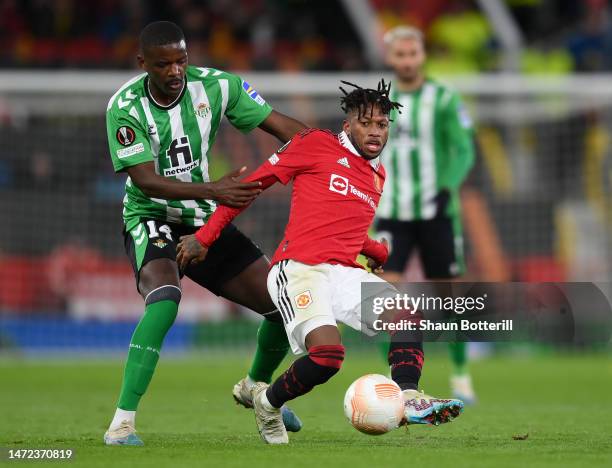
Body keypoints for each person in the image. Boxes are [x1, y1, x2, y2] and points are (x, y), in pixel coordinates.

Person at [176, 80, 464, 444]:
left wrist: (376, 251)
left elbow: (344, 227)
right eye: (366, 123)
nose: (375, 132)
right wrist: (205, 237)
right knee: (328, 357)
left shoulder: (377, 175)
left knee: (406, 314)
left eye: (382, 125)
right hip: (298, 269)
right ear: (348, 125)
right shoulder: (315, 144)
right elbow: (248, 188)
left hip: (343, 272)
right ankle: (268, 402)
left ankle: (408, 395)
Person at [104, 21, 306, 446]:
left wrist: (334, 151)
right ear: (144, 64)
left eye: (181, 60)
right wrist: (215, 189)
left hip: (201, 215)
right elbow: (146, 181)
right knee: (164, 299)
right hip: (150, 214)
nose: (175, 70)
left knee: (283, 306)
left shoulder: (218, 86)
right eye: (164, 64)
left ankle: (255, 387)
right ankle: (121, 424)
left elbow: (282, 126)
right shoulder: (124, 106)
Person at [375, 26, 477, 403]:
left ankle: (461, 375)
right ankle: (392, 378)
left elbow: (463, 150)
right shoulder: (379, 102)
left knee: (449, 299)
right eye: (399, 55)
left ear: (422, 56)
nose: (406, 61)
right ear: (390, 59)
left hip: (436, 211)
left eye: (412, 54)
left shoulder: (445, 98)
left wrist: (446, 186)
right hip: (391, 213)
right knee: (383, 298)